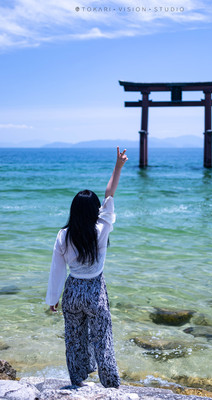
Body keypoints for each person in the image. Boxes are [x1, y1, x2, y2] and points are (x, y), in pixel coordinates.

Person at [45, 146, 128, 388]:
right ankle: (110, 385)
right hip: (94, 292)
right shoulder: (101, 229)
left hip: (72, 293)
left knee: (74, 340)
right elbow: (109, 194)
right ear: (95, 211)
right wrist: (118, 166)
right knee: (103, 339)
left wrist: (53, 298)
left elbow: (56, 270)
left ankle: (76, 383)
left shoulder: (63, 235)